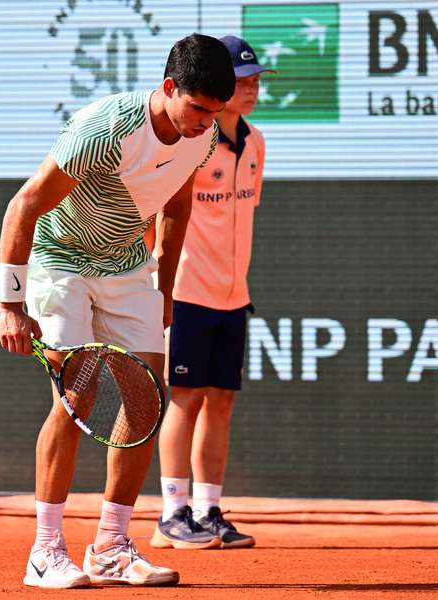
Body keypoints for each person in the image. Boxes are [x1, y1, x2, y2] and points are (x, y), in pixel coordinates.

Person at [0, 34, 235, 588]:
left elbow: (175, 206)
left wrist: (165, 288)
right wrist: (11, 305)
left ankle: (110, 547)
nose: (205, 123)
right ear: (169, 88)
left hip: (126, 264)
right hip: (59, 262)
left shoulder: (204, 135)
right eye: (198, 108)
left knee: (145, 401)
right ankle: (45, 551)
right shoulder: (105, 129)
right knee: (76, 397)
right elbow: (24, 204)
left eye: (214, 113)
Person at [151, 35, 272, 551]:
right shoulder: (192, 144)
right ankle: (172, 513)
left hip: (233, 296)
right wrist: (157, 285)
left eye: (255, 81)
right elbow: (160, 215)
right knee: (186, 399)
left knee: (220, 401)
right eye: (242, 82)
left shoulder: (257, 143)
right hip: (186, 292)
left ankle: (208, 509)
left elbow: (241, 217)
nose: (251, 90)